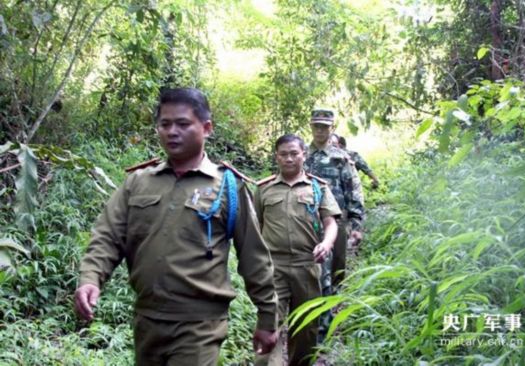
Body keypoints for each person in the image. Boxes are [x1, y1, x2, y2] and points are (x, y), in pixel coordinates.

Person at [74, 87, 278, 365]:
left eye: (182, 124)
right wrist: (90, 278)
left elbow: (254, 256)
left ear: (206, 128)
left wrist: (267, 316)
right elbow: (108, 236)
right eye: (164, 124)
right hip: (147, 320)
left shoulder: (228, 186)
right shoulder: (138, 182)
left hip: (200, 325)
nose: (172, 131)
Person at [254, 134, 341, 366]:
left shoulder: (318, 187)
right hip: (274, 268)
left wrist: (327, 243)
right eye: (283, 154)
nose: (289, 159)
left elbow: (330, 222)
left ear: (304, 155)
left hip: (307, 266)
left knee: (305, 330)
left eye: (294, 153)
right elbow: (255, 227)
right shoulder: (263, 189)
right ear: (276, 157)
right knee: (269, 323)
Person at [305, 109, 365, 290]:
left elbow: (353, 191)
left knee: (337, 264)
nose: (320, 130)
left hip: (336, 219)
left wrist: (356, 226)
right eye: (316, 126)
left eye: (324, 127)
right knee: (308, 263)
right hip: (306, 219)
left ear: (332, 128)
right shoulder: (300, 154)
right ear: (311, 126)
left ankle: (333, 305)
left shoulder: (340, 158)